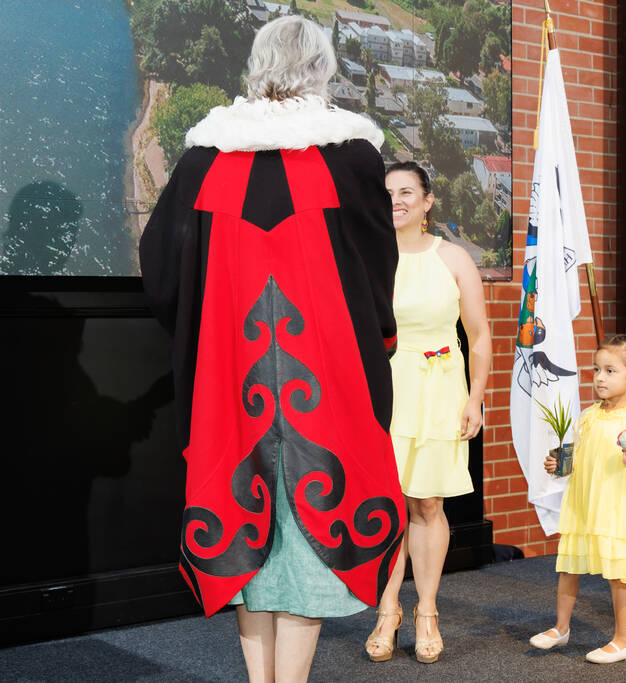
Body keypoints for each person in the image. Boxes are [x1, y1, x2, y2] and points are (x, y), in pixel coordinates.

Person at [139, 16, 406, 683]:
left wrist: (206, 338)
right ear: (322, 66)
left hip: (230, 387)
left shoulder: (205, 157)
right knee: (313, 542)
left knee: (243, 542)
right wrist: (380, 340)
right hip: (330, 387)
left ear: (255, 65)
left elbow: (161, 269)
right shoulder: (351, 156)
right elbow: (376, 268)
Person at [365, 161, 492, 664]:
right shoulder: (367, 259)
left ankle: (427, 612)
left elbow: (479, 335)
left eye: (406, 192)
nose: (395, 200)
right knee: (387, 505)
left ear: (427, 200)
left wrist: (476, 396)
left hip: (441, 390)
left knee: (427, 504)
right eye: (387, 192)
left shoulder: (454, 257)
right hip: (384, 391)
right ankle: (387, 611)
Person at [529, 333, 626, 664]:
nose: (600, 378)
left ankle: (623, 640)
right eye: (596, 370)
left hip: (617, 510)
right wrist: (559, 466)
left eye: (609, 371)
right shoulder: (588, 416)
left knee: (618, 575)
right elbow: (578, 459)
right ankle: (561, 627)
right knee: (569, 568)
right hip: (585, 507)